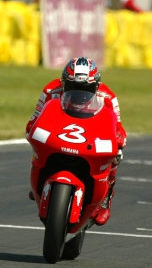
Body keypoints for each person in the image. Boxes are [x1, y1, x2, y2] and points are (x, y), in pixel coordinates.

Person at [26, 57, 127, 226]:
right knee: (37, 143)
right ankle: (40, 182)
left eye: (85, 89)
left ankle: (106, 198)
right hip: (61, 130)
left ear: (96, 87)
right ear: (64, 83)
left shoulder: (108, 96)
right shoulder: (51, 90)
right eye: (73, 87)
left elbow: (117, 126)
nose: (79, 94)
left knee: (116, 154)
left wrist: (119, 138)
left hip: (90, 133)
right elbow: (36, 118)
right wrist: (32, 128)